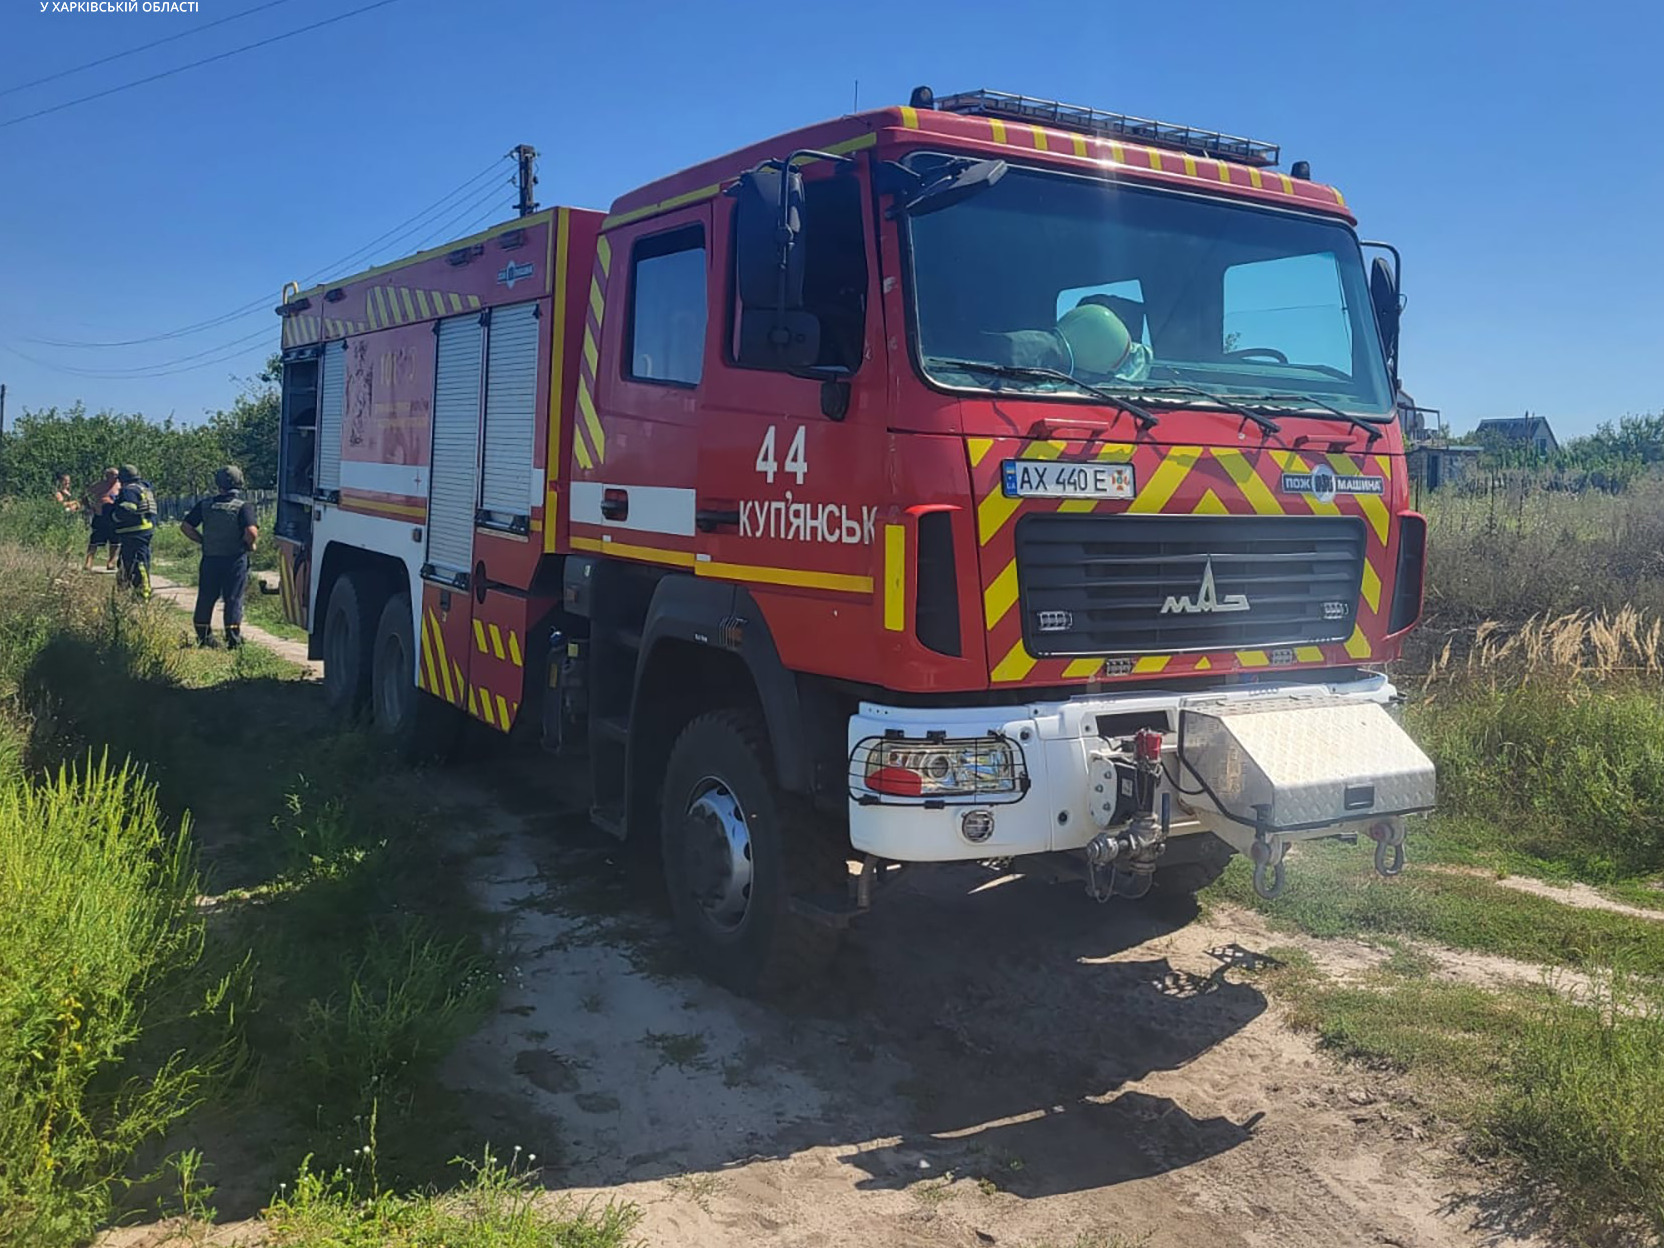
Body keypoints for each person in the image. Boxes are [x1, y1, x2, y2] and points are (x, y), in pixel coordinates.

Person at [181, 465, 258, 648]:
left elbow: (186, 527)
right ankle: (233, 638)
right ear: (240, 482)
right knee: (233, 598)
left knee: (206, 597)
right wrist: (250, 545)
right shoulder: (243, 507)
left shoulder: (205, 505)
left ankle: (203, 636)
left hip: (210, 558)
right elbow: (251, 532)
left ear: (218, 484)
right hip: (234, 559)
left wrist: (203, 541)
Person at [109, 464, 157, 600]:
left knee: (137, 564)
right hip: (142, 531)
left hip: (135, 532)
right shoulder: (143, 488)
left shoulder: (129, 490)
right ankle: (126, 593)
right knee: (127, 563)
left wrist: (113, 517)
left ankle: (142, 595)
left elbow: (128, 508)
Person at [83, 468, 121, 572]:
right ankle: (89, 562)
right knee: (95, 539)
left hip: (113, 516)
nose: (115, 477)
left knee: (115, 540)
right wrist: (90, 506)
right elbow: (85, 494)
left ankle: (111, 562)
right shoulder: (99, 485)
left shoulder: (119, 485)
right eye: (113, 475)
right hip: (100, 514)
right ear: (107, 475)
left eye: (116, 475)